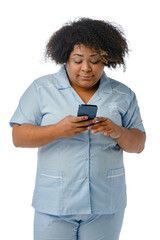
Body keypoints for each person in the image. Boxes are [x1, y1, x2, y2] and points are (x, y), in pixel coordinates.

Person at [10, 18, 146, 240]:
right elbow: (18, 137)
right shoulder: (41, 89)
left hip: (105, 204)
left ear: (106, 60)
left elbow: (139, 145)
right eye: (78, 60)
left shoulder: (124, 94)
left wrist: (118, 131)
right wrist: (58, 129)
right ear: (65, 59)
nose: (86, 68)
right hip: (55, 203)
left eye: (95, 60)